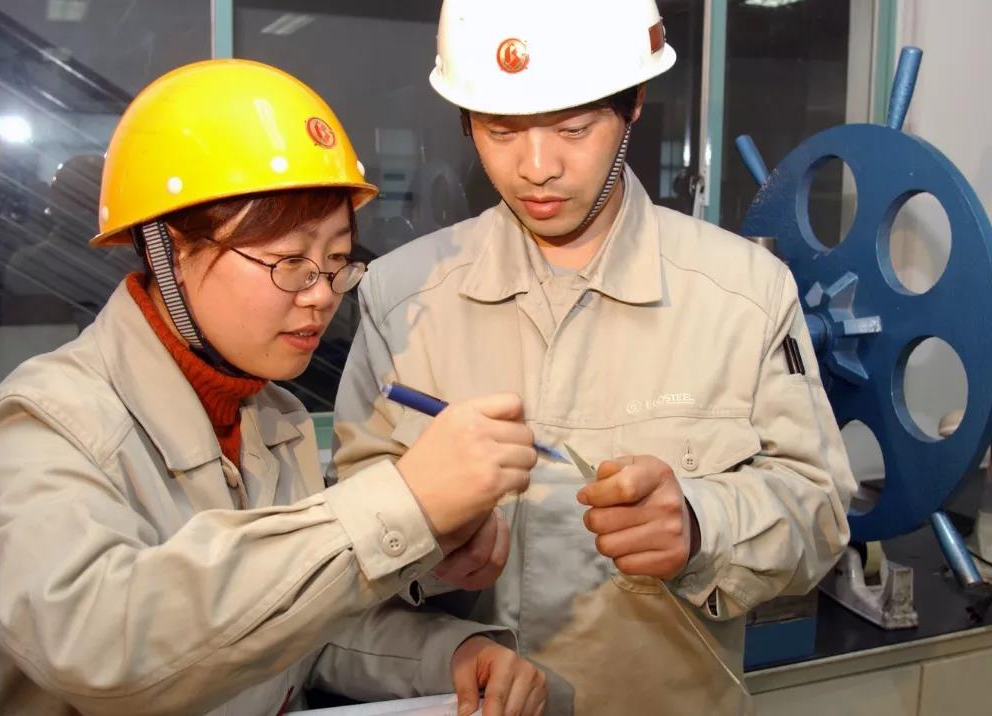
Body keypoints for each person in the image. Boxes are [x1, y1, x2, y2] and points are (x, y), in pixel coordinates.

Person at [0, 59, 547, 716]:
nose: (321, 295)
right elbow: (99, 641)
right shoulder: (42, 423)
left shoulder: (274, 418)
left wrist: (451, 655)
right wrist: (403, 503)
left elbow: (288, 635)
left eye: (336, 261)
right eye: (289, 262)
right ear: (170, 249)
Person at [331, 2, 857, 713]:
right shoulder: (402, 300)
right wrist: (424, 547)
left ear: (634, 103)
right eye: (500, 131)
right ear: (464, 121)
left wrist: (701, 525)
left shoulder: (745, 294)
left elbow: (820, 513)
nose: (536, 169)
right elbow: (343, 542)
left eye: (574, 128)